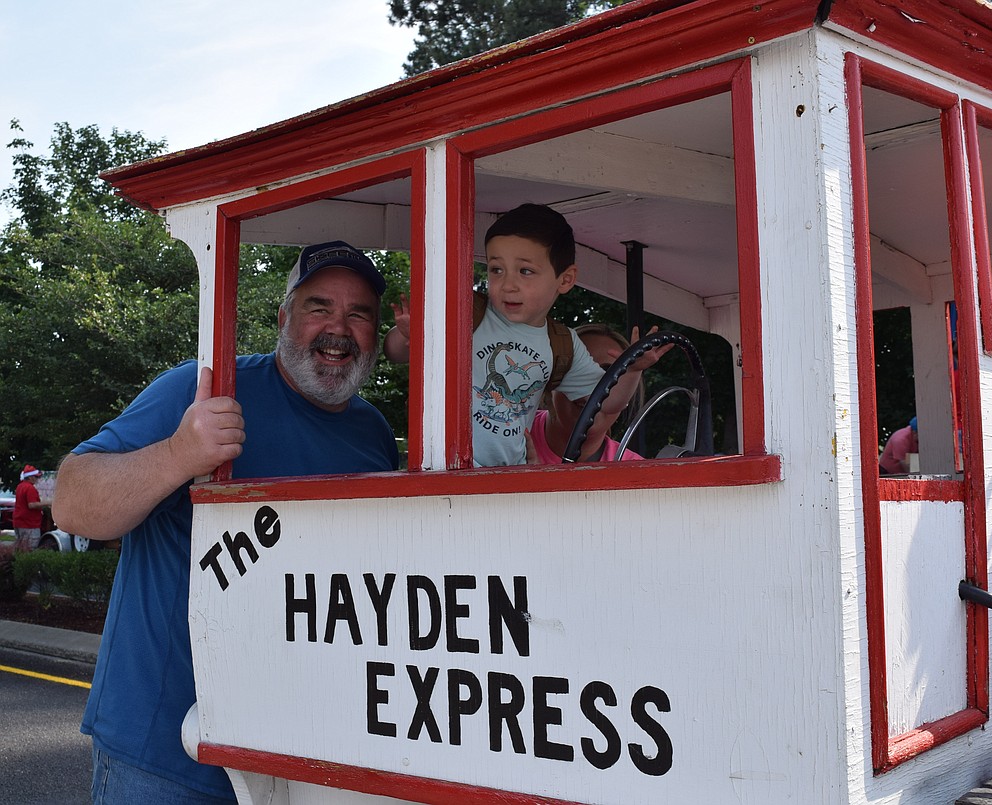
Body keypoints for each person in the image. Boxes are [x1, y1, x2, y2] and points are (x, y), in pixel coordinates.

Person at [53, 240, 399, 804]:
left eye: (359, 314)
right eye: (319, 308)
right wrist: (179, 455)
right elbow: (72, 502)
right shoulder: (204, 391)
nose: (339, 328)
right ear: (284, 317)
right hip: (166, 753)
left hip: (299, 755)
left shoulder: (374, 435)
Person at [383, 203, 669, 466]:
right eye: (497, 269)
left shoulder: (562, 344)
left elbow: (606, 401)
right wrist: (411, 335)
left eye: (525, 271)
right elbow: (393, 352)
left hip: (509, 477)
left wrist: (632, 370)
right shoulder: (468, 312)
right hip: (446, 469)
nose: (508, 284)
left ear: (565, 279)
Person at [529, 324, 646, 463]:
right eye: (578, 371)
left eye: (610, 376)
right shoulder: (508, 428)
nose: (593, 388)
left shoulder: (634, 471)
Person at [13, 464, 45, 552]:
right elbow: (32, 505)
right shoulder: (30, 488)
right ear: (30, 477)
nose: (37, 479)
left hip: (19, 522)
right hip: (30, 524)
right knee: (31, 549)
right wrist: (48, 503)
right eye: (36, 477)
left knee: (20, 549)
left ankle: (18, 564)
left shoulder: (20, 486)